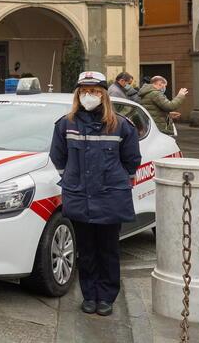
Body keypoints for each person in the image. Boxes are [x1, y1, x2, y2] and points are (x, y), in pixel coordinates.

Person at [50, 71, 142, 317]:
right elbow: (58, 157)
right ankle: (89, 296)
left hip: (110, 197)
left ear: (103, 94)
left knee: (109, 250)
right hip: (80, 196)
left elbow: (131, 160)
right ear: (78, 94)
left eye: (94, 91)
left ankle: (107, 297)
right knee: (86, 251)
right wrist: (72, 177)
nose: (88, 96)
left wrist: (117, 180)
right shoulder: (65, 124)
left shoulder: (121, 125)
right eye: (83, 91)